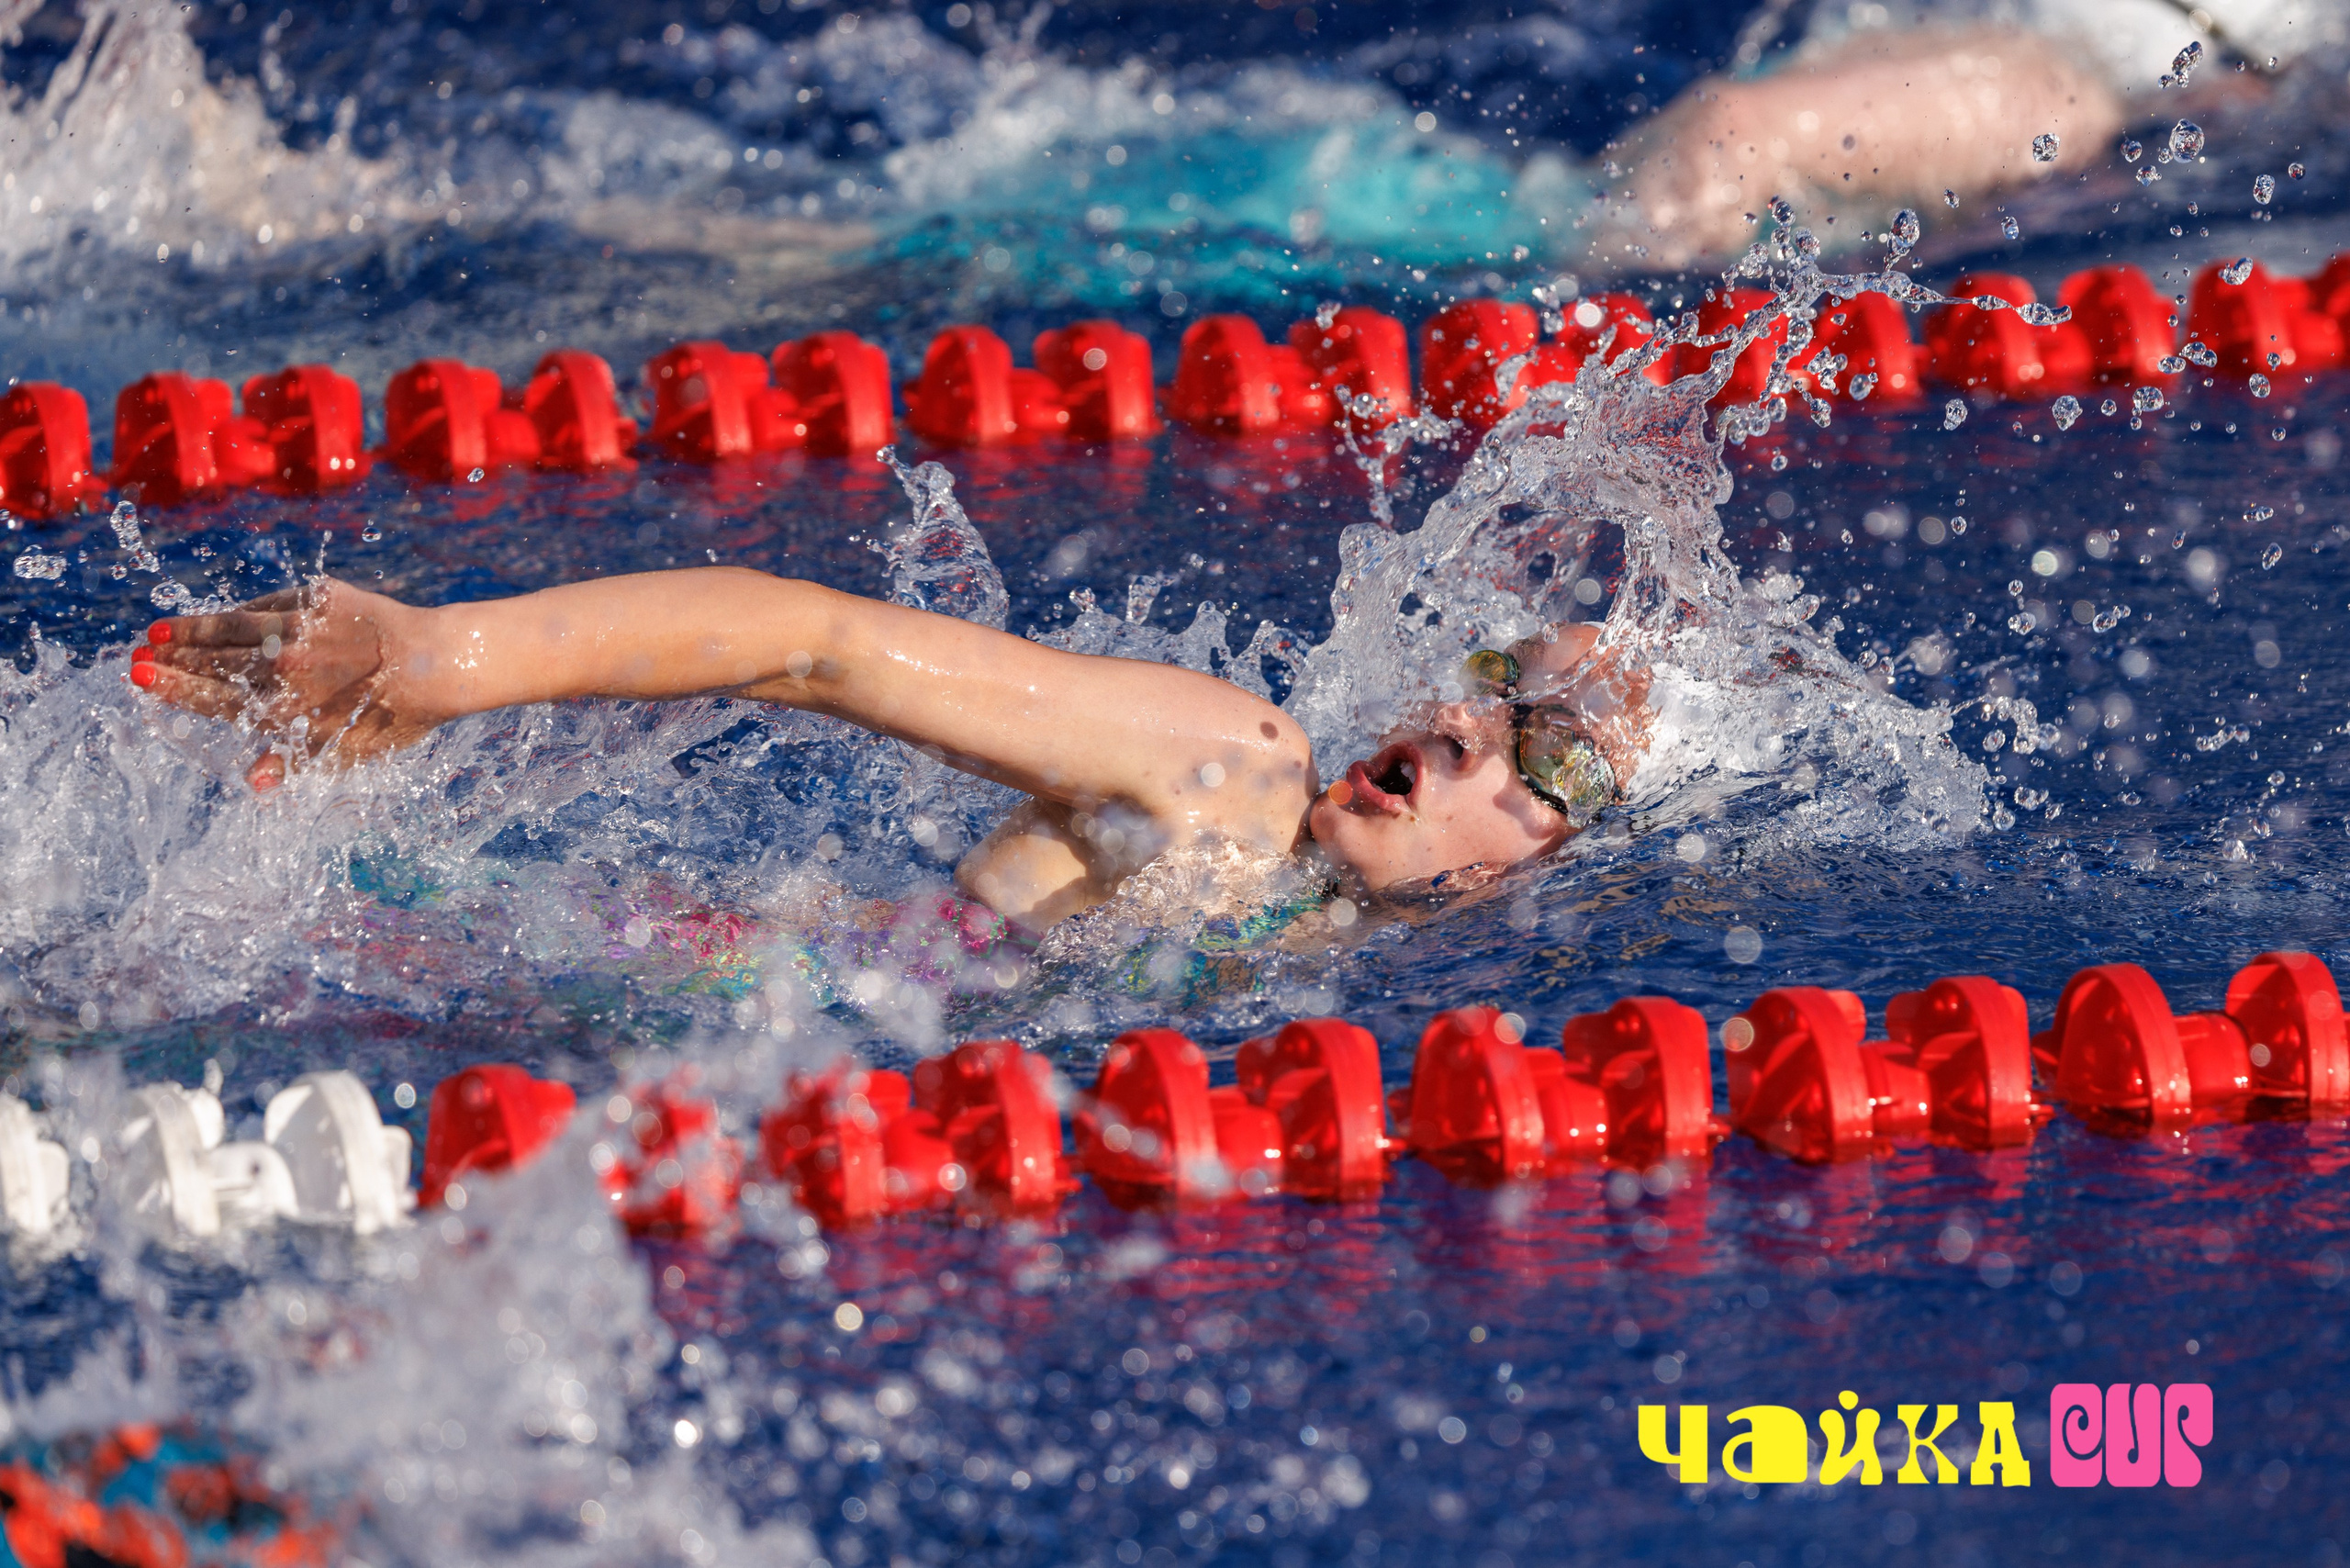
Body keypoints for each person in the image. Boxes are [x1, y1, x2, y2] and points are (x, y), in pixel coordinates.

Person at [129, 569, 1649, 932]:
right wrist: (456, 657)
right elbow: (825, 647)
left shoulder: (1344, 938)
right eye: (1491, 679)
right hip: (719, 995)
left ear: (1549, 856)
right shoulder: (1241, 767)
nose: (1462, 720)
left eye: (1548, 752)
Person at [1589, 2, 2316, 270]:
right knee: (1743, 133)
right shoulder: (2048, 94)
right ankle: (1580, 274)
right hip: (2085, 61)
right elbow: (1735, 127)